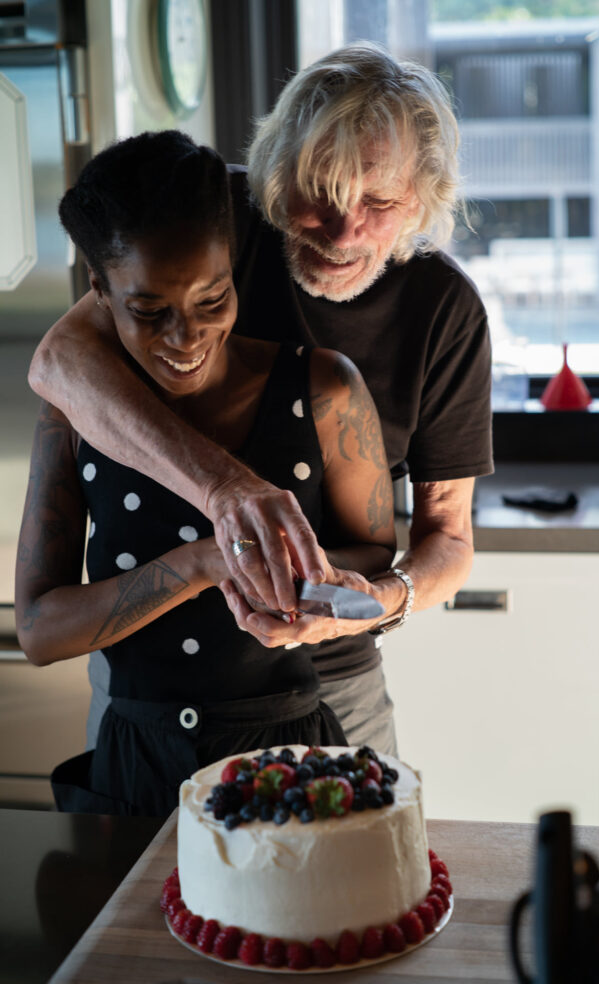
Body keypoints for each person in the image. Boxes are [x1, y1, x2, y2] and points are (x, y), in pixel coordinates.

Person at [28, 42, 494, 756]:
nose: (343, 231)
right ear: (275, 170)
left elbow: (449, 540)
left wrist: (378, 602)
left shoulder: (444, 310)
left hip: (329, 686)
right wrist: (227, 494)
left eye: (378, 201)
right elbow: (61, 362)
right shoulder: (214, 225)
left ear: (421, 199)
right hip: (145, 694)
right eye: (318, 193)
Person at [14, 130, 395, 817]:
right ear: (99, 290)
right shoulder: (72, 414)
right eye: (148, 312)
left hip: (290, 751)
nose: (185, 337)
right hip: (134, 758)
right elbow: (40, 631)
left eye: (212, 300)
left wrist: (314, 582)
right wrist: (200, 564)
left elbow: (374, 548)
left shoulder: (326, 388)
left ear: (234, 268)